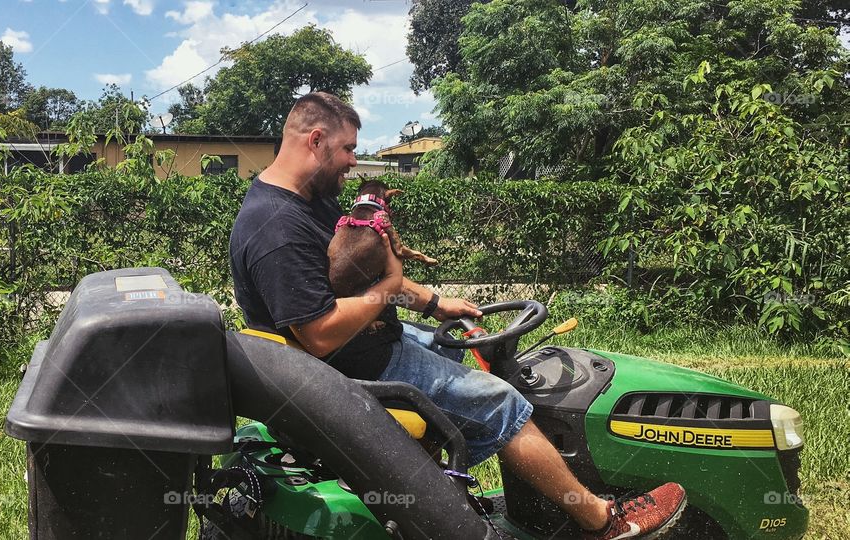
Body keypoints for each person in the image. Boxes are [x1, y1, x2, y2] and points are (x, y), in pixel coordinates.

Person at [229, 92, 686, 539]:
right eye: (348, 148)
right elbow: (322, 332)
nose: (353, 160)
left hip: (359, 346)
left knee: (451, 345)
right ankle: (603, 522)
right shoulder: (279, 229)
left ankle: (430, 486)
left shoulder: (311, 200)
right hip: (342, 368)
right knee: (503, 401)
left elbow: (356, 277)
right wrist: (392, 283)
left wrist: (432, 303)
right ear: (315, 140)